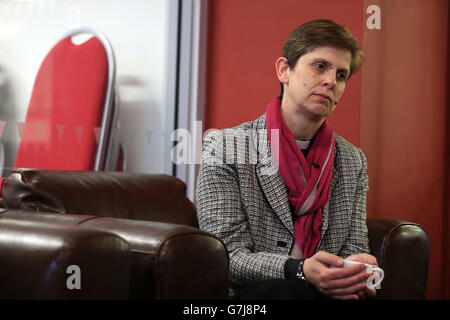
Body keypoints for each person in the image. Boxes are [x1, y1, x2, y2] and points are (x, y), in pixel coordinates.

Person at [195, 19, 378, 300]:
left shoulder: (352, 160)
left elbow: (353, 245)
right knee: (285, 292)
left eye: (342, 75)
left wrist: (355, 271)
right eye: (320, 66)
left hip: (326, 295)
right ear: (284, 70)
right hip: (255, 294)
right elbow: (226, 255)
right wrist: (300, 269)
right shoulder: (226, 146)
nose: (331, 81)